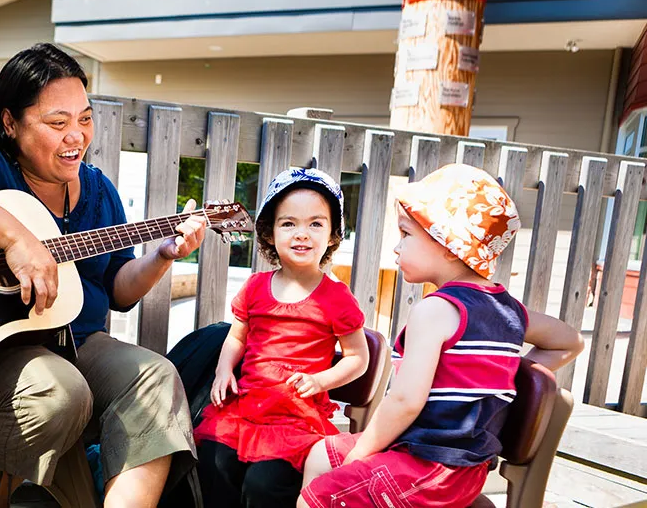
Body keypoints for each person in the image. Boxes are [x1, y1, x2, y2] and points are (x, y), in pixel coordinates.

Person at [0, 43, 207, 508]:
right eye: (57, 123)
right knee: (58, 390)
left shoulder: (96, 190)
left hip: (77, 343)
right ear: (10, 122)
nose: (75, 135)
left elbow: (118, 289)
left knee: (156, 376)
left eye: (85, 119)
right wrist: (17, 238)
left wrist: (161, 256)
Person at [298, 163, 585, 508]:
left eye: (406, 234)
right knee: (320, 455)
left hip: (430, 466)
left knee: (318, 498)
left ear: (449, 245)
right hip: (453, 464)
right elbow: (570, 341)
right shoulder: (508, 311)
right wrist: (501, 377)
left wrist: (361, 453)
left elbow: (405, 402)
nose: (396, 248)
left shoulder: (435, 310)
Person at [193, 168, 370, 507]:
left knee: (266, 485)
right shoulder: (256, 286)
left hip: (295, 418)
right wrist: (223, 371)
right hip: (244, 408)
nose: (301, 233)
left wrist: (320, 381)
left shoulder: (336, 298)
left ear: (333, 235)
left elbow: (357, 358)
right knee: (214, 465)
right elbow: (237, 337)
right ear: (270, 234)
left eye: (315, 224)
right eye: (289, 223)